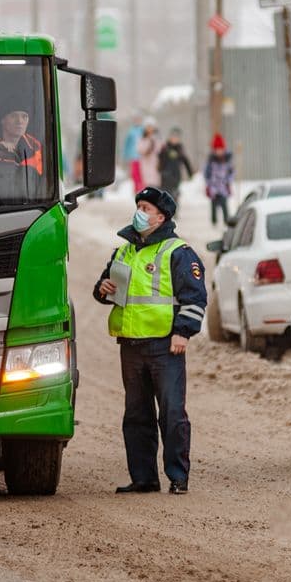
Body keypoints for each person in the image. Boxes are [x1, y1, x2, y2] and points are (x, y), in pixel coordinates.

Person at [94, 187, 206, 495]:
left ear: (162, 216)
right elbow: (107, 290)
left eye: (146, 208)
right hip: (130, 345)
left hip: (164, 346)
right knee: (136, 416)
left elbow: (195, 297)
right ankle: (143, 478)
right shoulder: (124, 251)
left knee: (171, 413)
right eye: (138, 206)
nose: (139, 212)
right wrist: (102, 289)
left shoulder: (178, 252)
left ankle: (178, 477)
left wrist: (183, 331)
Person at [157, 127, 193, 216]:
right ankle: (165, 211)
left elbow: (185, 160)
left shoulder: (180, 149)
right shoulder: (165, 147)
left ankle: (174, 211)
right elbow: (160, 159)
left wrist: (190, 172)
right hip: (165, 175)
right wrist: (160, 169)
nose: (174, 139)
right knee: (165, 194)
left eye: (176, 137)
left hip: (176, 175)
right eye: (173, 137)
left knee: (175, 194)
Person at [203, 133, 235, 226]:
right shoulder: (211, 160)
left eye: (221, 149)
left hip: (223, 186)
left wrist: (229, 181)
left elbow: (231, 172)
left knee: (224, 204)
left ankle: (226, 221)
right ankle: (214, 222)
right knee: (213, 205)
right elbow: (206, 173)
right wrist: (208, 183)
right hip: (214, 187)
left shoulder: (227, 160)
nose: (219, 151)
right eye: (217, 149)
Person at [135, 121, 161, 192]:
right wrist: (148, 145)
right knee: (147, 181)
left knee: (155, 181)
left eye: (151, 127)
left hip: (155, 162)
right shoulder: (142, 139)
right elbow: (140, 149)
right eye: (148, 127)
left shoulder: (157, 138)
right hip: (145, 162)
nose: (150, 129)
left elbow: (159, 149)